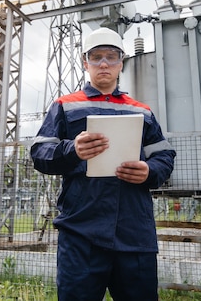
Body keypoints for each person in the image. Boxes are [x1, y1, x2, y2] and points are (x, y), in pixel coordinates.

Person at [31, 27, 176, 301]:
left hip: (134, 234)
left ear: (122, 62)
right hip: (82, 232)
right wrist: (71, 149)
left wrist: (149, 171)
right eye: (96, 57)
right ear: (85, 62)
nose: (104, 63)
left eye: (112, 56)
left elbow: (164, 157)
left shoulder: (141, 110)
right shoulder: (65, 106)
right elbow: (40, 152)